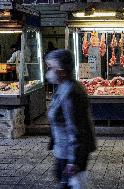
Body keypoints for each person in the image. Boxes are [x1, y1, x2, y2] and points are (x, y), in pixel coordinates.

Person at [45, 49, 96, 189]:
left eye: (50, 67)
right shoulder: (63, 87)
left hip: (70, 153)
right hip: (63, 150)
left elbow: (77, 128)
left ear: (61, 71)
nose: (48, 72)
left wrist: (74, 162)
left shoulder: (72, 92)